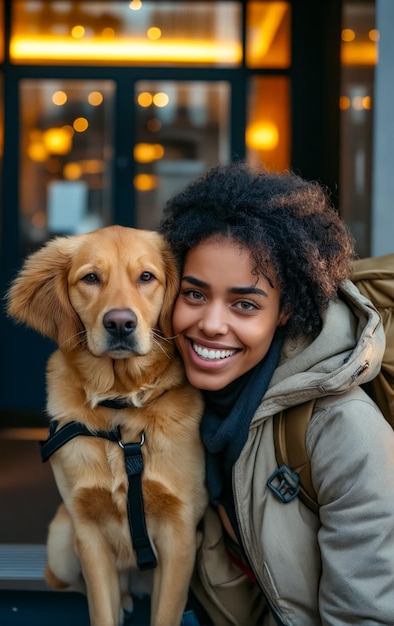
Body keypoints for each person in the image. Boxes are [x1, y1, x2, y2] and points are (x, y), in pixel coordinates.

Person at [159, 161, 394, 626]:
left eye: (244, 304)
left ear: (286, 311)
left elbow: (364, 615)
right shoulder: (172, 402)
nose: (210, 324)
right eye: (194, 294)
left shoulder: (343, 429)